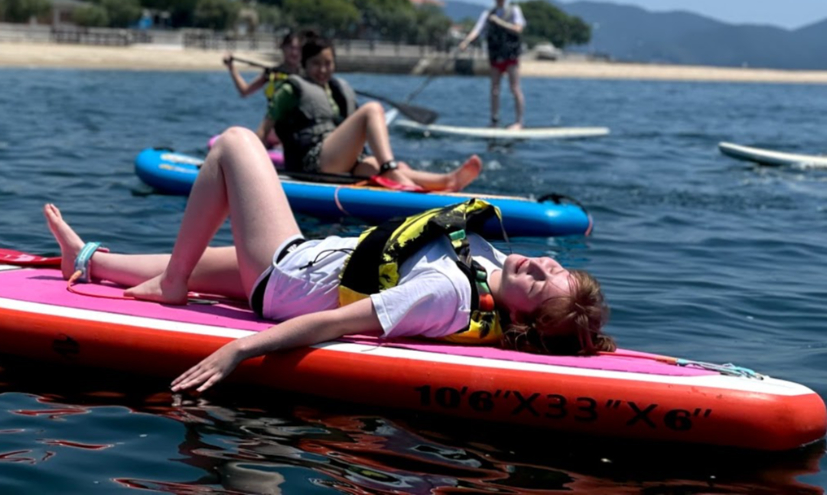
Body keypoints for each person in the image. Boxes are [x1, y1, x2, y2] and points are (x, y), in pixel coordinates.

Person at [43, 128, 614, 394]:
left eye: (539, 286)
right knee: (192, 264)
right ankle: (89, 259)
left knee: (235, 146)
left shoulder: (444, 292)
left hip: (287, 276)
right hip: (316, 267)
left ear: (520, 320)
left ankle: (171, 285)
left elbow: (337, 323)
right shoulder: (485, 261)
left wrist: (240, 349)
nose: (537, 267)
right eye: (551, 267)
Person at [256, 33, 481, 191]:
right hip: (313, 162)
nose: (323, 70)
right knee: (372, 110)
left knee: (374, 168)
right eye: (316, 64)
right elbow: (264, 130)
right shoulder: (289, 89)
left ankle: (447, 181)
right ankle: (390, 168)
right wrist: (253, 166)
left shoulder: (337, 88)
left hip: (340, 160)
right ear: (304, 65)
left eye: (328, 63)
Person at [459, 0, 526, 130]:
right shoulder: (487, 14)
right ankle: (494, 121)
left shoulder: (514, 10)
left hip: (510, 54)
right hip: (495, 54)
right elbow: (477, 30)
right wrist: (466, 42)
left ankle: (519, 122)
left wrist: (499, 22)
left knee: (514, 88)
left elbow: (518, 28)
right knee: (495, 89)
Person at [224, 31, 304, 147]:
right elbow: (245, 91)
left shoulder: (308, 75)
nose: (294, 52)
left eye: (298, 49)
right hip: (274, 127)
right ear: (283, 48)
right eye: (291, 48)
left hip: (299, 128)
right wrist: (232, 69)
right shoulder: (271, 73)